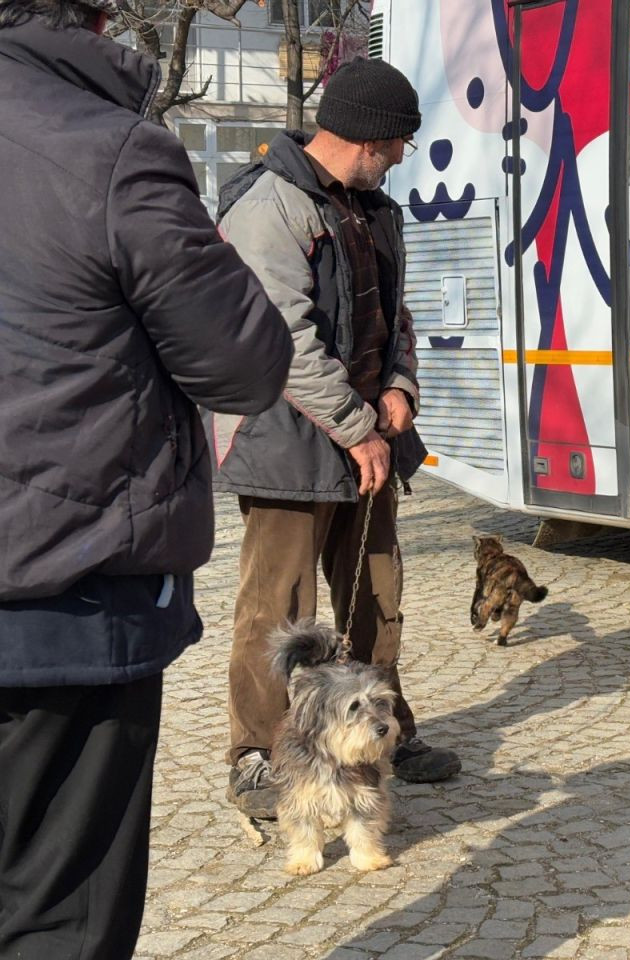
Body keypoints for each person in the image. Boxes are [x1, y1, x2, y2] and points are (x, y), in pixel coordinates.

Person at [0, 0, 293, 955]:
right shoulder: (107, 149)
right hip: (60, 600)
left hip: (52, 581)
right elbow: (245, 363)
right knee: (57, 914)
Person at [213, 58, 460, 819]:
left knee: (375, 595)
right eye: (399, 145)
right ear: (370, 137)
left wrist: (399, 389)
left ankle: (382, 731)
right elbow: (279, 338)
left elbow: (397, 317)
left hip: (366, 435)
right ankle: (259, 755)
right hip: (286, 439)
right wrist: (359, 430)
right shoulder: (269, 204)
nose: (399, 159)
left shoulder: (375, 208)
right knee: (278, 612)